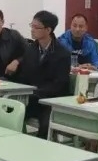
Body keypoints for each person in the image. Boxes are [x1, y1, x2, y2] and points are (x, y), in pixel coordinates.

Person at [16, 10, 71, 139]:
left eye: (36, 27)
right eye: (32, 26)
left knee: (46, 125)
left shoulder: (62, 53)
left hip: (51, 101)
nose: (32, 30)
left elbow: (60, 84)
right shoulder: (30, 49)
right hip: (32, 99)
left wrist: (35, 92)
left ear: (48, 30)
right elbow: (24, 76)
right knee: (9, 112)